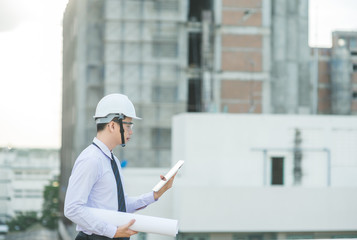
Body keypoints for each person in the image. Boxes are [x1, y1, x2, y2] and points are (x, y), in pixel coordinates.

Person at [64, 93, 175, 240]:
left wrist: (155, 194)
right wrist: (111, 231)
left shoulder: (112, 160)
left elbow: (118, 206)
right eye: (128, 126)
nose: (131, 131)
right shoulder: (91, 160)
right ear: (112, 125)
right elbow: (72, 209)